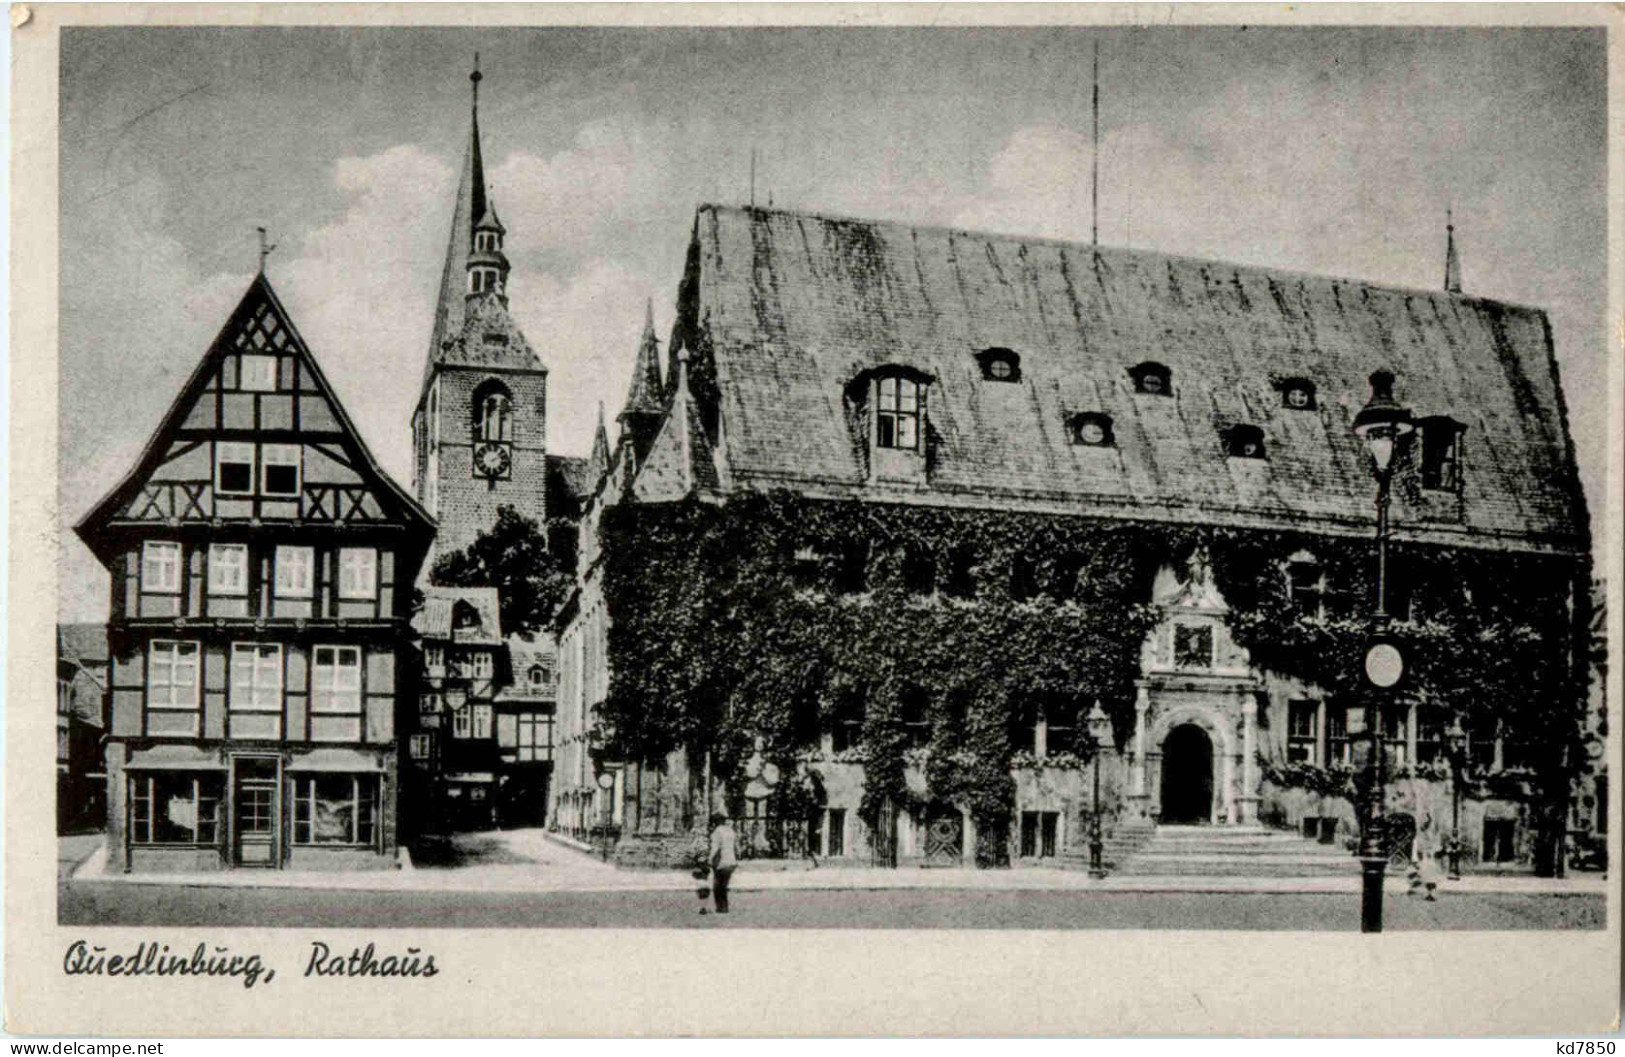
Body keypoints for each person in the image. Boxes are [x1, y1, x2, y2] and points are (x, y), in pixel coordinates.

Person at [708, 813, 738, 914]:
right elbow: (735, 846)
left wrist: (709, 859)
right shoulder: (730, 831)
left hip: (721, 861)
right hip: (731, 861)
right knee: (724, 885)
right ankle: (724, 906)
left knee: (717, 886)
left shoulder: (717, 832)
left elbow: (715, 847)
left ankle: (721, 907)